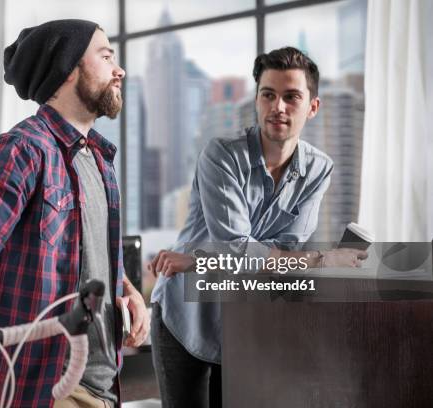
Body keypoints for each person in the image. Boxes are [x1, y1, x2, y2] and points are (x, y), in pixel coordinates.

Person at [0, 20, 149, 408]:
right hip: (43, 386)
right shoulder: (22, 150)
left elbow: (92, 253)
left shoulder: (100, 162)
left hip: (101, 384)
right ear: (69, 68)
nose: (118, 69)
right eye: (106, 56)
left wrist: (128, 291)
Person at [148, 47, 369, 408]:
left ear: (313, 107)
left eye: (291, 96)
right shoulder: (221, 154)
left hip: (248, 317)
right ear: (257, 100)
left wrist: (197, 259)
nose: (277, 107)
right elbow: (238, 249)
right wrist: (323, 259)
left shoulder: (319, 169)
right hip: (185, 313)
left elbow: (286, 258)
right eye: (268, 95)